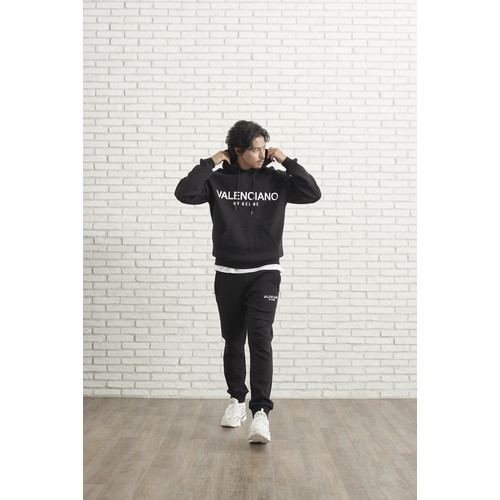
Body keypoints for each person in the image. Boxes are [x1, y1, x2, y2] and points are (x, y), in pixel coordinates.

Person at [175, 120, 321, 443]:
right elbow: (184, 192)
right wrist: (211, 161)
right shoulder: (217, 180)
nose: (262, 154)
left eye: (264, 148)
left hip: (265, 273)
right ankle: (236, 402)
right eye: (255, 149)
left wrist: (286, 160)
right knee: (232, 340)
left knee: (260, 339)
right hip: (227, 274)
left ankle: (261, 414)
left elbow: (313, 192)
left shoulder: (277, 179)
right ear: (237, 150)